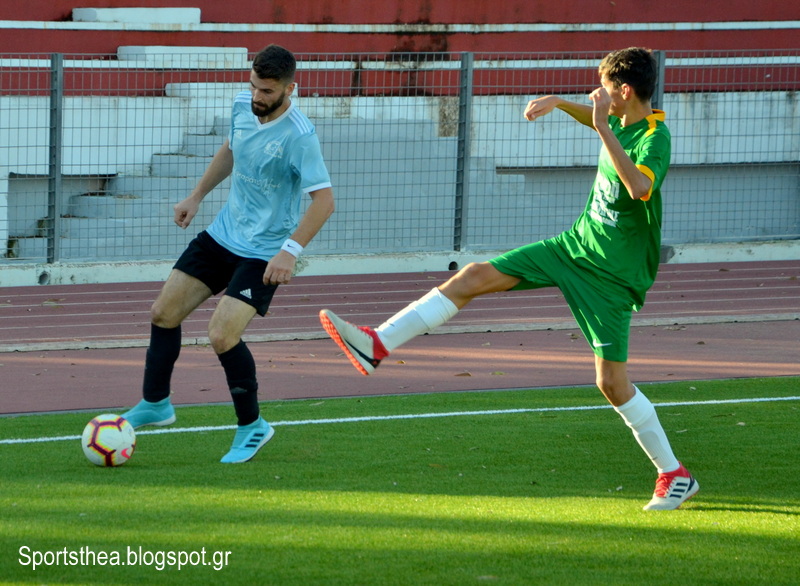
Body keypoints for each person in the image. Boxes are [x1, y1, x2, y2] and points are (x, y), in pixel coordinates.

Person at [319, 47, 698, 510]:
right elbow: (597, 118)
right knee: (475, 276)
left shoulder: (655, 137)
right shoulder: (617, 118)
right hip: (574, 246)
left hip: (612, 276)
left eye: (603, 88)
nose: (595, 95)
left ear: (624, 90)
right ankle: (377, 343)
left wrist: (601, 124)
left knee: (612, 384)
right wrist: (560, 103)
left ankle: (674, 474)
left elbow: (639, 188)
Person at [123, 44, 335, 464]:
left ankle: (252, 426)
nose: (257, 96)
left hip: (263, 253)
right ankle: (156, 403)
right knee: (163, 313)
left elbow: (324, 202)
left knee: (222, 335)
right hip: (222, 236)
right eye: (254, 86)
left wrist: (289, 252)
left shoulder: (299, 135)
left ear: (290, 89)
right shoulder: (242, 105)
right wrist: (197, 195)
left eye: (267, 91)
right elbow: (231, 149)